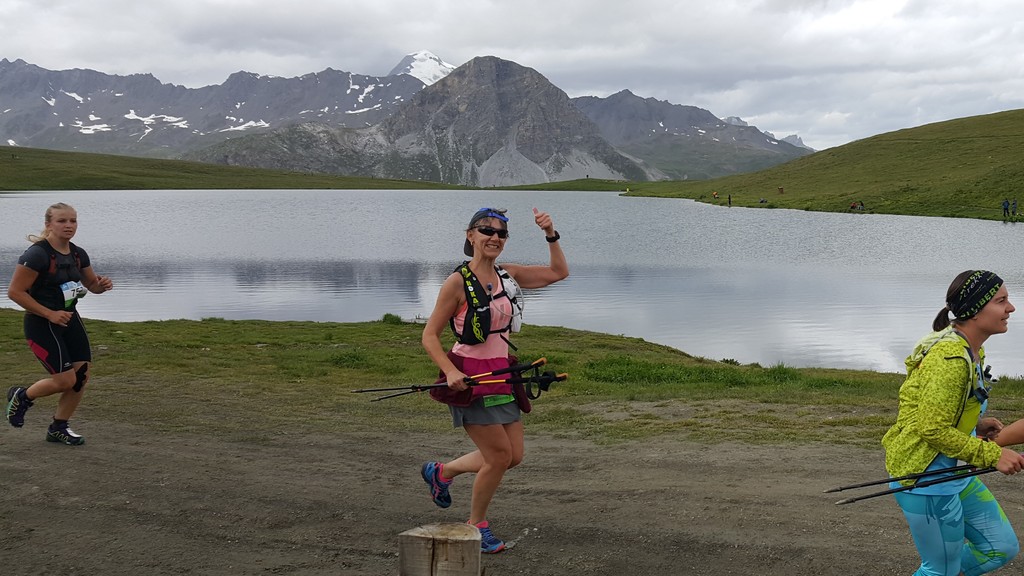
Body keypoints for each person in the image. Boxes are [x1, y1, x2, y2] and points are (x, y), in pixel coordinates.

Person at [420, 207, 568, 554]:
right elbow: (429, 335)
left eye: (501, 233)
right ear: (470, 235)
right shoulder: (457, 283)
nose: (495, 237)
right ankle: (477, 525)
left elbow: (558, 272)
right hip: (470, 378)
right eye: (487, 230)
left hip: (502, 373)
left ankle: (442, 472)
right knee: (499, 456)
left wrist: (550, 233)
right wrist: (451, 371)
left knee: (512, 456)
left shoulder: (508, 275)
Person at [881, 270, 1024, 576]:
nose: (1011, 308)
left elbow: (938, 412)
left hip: (954, 474)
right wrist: (993, 454)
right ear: (975, 309)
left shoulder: (972, 349)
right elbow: (931, 429)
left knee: (1000, 547)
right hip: (923, 478)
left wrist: (976, 425)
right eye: (1001, 301)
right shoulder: (950, 359)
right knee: (940, 570)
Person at [5, 202, 114, 445]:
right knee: (65, 380)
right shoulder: (37, 255)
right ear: (49, 224)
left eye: (73, 221)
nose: (68, 225)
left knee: (81, 376)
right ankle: (22, 396)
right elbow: (15, 292)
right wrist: (49, 314)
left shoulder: (78, 253)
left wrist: (101, 286)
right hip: (41, 323)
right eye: (62, 221)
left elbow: (91, 285)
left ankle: (59, 427)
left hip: (70, 320)